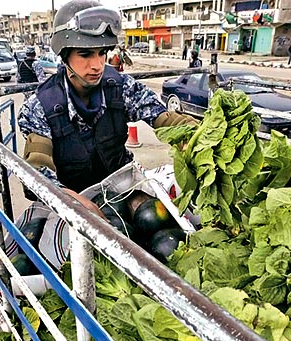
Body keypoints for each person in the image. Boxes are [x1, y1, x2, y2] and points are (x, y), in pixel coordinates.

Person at [17, 0, 198, 216]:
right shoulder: (40, 107)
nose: (97, 65)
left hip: (120, 187)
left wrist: (195, 133)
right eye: (85, 55)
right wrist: (71, 201)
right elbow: (36, 172)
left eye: (102, 53)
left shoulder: (121, 88)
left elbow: (161, 117)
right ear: (65, 55)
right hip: (69, 198)